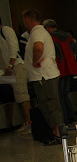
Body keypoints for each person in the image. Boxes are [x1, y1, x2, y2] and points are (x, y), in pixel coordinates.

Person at [23, 8, 63, 144]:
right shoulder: (41, 31)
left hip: (43, 76)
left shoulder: (37, 32)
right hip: (44, 75)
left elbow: (38, 47)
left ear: (28, 19)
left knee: (49, 104)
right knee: (50, 104)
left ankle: (57, 133)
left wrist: (35, 61)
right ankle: (56, 132)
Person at [43, 19, 77, 124]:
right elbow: (75, 50)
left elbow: (54, 54)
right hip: (70, 68)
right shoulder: (67, 37)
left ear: (48, 28)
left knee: (60, 95)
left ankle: (65, 118)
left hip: (60, 68)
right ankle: (72, 116)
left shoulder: (52, 38)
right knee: (65, 94)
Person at [0, 17, 31, 134]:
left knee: (22, 95)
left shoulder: (6, 30)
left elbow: (14, 48)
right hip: (10, 69)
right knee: (17, 96)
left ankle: (29, 123)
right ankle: (24, 122)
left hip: (17, 66)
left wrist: (10, 65)